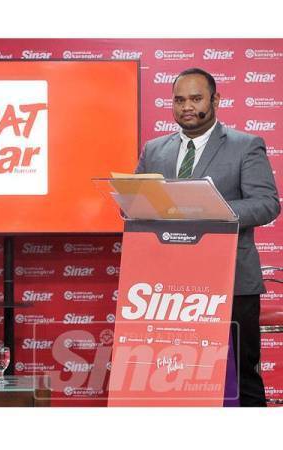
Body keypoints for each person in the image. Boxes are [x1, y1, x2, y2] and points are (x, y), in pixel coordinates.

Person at [136, 67, 280, 406]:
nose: (187, 106)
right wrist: (132, 203)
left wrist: (207, 208)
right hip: (169, 285)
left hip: (231, 281)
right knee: (178, 374)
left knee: (242, 375)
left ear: (215, 100)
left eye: (196, 98)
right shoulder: (154, 150)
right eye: (179, 100)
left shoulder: (245, 145)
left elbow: (266, 204)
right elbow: (139, 203)